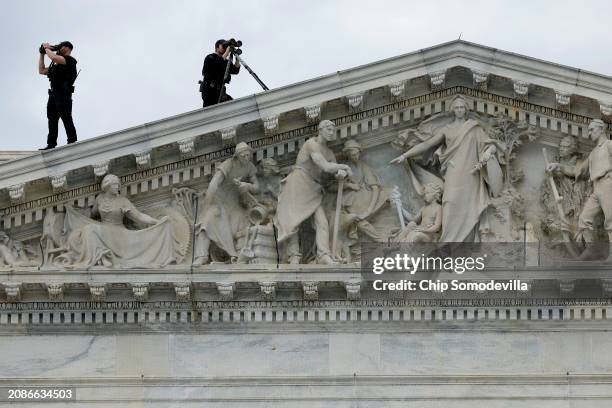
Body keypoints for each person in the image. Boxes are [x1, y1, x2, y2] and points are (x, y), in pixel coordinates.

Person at [390, 95, 503, 242]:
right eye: (456, 108)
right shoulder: (447, 130)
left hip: (471, 174)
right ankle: (448, 243)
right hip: (453, 172)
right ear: (452, 110)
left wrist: (489, 151)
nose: (459, 110)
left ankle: (465, 246)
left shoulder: (474, 128)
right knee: (449, 202)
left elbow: (491, 145)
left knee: (469, 207)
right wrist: (405, 155)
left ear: (466, 109)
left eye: (462, 107)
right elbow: (427, 145)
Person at [274, 120, 352, 264]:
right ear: (320, 130)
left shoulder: (329, 153)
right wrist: (344, 166)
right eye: (328, 129)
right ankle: (294, 256)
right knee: (294, 220)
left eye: (333, 130)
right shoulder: (311, 144)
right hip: (299, 183)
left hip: (314, 188)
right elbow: (325, 166)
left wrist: (341, 174)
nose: (331, 133)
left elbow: (332, 173)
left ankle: (323, 255)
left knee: (322, 222)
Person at [547, 119, 612, 260]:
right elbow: (578, 171)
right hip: (597, 187)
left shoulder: (609, 145)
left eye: (592, 130)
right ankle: (592, 248)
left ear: (602, 129)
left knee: (610, 220)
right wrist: (558, 165)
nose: (589, 134)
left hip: (608, 183)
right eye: (588, 130)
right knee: (584, 219)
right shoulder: (593, 153)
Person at [193, 142, 259, 265]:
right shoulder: (229, 164)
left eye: (248, 155)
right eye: (244, 155)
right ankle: (202, 255)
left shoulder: (249, 167)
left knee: (244, 225)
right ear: (237, 156)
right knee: (207, 222)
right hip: (218, 201)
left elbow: (257, 187)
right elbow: (214, 184)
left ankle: (238, 257)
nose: (246, 157)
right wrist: (206, 207)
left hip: (234, 203)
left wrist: (247, 185)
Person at [38, 41, 78, 150]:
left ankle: (72, 140)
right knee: (52, 119)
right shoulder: (56, 65)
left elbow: (54, 58)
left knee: (66, 116)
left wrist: (47, 48)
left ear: (66, 47)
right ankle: (51, 144)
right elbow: (41, 70)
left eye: (60, 47)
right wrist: (42, 54)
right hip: (53, 94)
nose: (59, 49)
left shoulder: (70, 60)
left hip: (63, 93)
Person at [200, 39, 240, 107]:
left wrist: (237, 58)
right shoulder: (210, 57)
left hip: (220, 91)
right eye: (223, 46)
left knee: (234, 106)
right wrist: (227, 52)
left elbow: (235, 70)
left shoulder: (225, 61)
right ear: (217, 47)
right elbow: (218, 64)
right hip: (209, 91)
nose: (225, 48)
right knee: (211, 112)